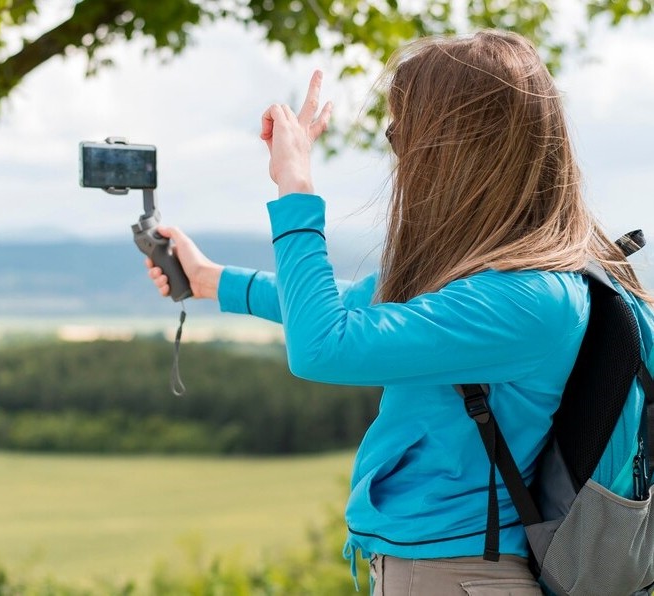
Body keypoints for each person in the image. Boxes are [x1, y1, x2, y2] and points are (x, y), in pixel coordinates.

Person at [145, 30, 654, 595]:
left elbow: (324, 345)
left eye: (400, 134)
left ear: (457, 147)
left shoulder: (526, 299)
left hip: (452, 576)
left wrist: (295, 186)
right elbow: (338, 306)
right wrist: (212, 281)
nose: (399, 155)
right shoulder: (497, 276)